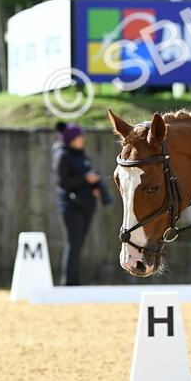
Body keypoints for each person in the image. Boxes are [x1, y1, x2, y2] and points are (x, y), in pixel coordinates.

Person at [52, 122, 112, 286]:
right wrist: (86, 178)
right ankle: (69, 282)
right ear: (71, 138)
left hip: (86, 205)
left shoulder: (81, 155)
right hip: (71, 207)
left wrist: (93, 188)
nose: (83, 139)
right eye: (79, 136)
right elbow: (62, 182)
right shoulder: (63, 155)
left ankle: (74, 281)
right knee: (73, 245)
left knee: (78, 245)